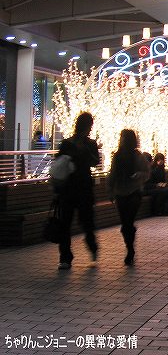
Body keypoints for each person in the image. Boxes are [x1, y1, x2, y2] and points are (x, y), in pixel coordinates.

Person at [54, 112, 100, 270]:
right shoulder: (71, 143)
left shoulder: (79, 144)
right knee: (77, 222)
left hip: (74, 189)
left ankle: (74, 255)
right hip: (76, 188)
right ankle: (67, 256)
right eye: (90, 126)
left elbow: (95, 161)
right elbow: (60, 163)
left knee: (77, 222)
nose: (90, 129)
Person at [107, 129, 150, 266]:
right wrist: (110, 190)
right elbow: (112, 173)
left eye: (124, 137)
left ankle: (130, 249)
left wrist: (139, 175)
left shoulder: (138, 156)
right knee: (125, 223)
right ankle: (129, 246)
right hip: (120, 192)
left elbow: (147, 172)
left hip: (134, 192)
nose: (122, 140)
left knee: (128, 222)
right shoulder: (117, 155)